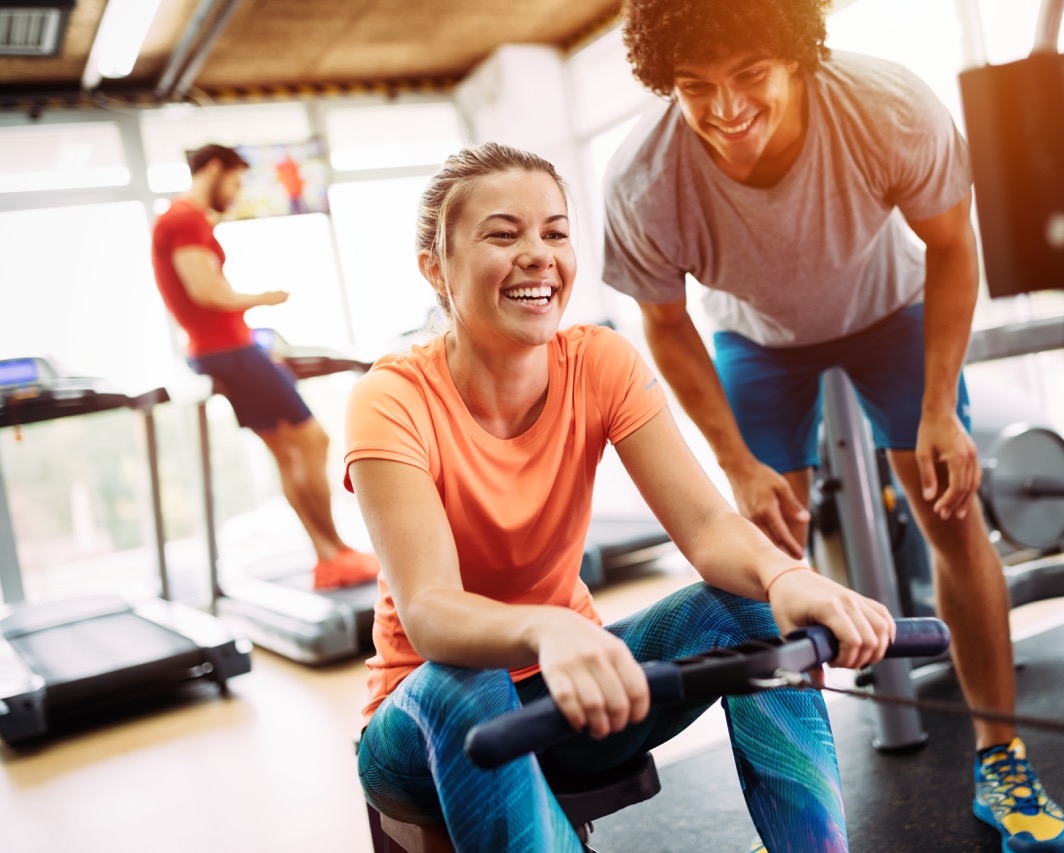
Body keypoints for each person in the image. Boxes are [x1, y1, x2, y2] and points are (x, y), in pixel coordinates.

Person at [600, 2, 1064, 852]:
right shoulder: (644, 176)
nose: (725, 108)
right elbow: (667, 326)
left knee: (949, 507)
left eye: (749, 75)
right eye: (695, 87)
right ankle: (797, 793)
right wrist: (737, 462)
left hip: (891, 310)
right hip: (755, 337)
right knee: (761, 552)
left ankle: (1002, 757)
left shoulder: (884, 107)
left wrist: (938, 409)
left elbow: (952, 247)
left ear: (796, 58)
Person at [344, 142, 896, 853]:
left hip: (575, 692)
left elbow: (704, 525)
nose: (539, 254)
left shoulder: (600, 362)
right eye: (503, 234)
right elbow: (428, 612)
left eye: (555, 231)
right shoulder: (390, 399)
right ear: (436, 268)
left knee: (753, 608)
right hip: (423, 724)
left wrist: (787, 575)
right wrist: (546, 628)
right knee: (469, 681)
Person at [151, 143, 379, 590]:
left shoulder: (182, 221)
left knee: (287, 450)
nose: (235, 192)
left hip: (222, 349)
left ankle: (329, 555)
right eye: (234, 181)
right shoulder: (185, 219)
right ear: (214, 169)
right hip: (228, 350)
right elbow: (206, 293)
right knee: (313, 439)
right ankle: (334, 550)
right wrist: (267, 298)